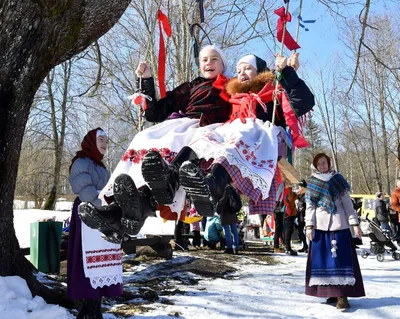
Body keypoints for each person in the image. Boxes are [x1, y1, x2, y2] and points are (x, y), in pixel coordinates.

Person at [78, 45, 235, 240]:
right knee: (143, 137)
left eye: (214, 59)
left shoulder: (232, 85)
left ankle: (163, 180)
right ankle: (117, 212)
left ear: (223, 64)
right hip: (183, 124)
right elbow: (156, 112)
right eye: (204, 60)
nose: (208, 63)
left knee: (178, 140)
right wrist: (146, 80)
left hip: (208, 130)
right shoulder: (191, 86)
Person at [179, 53, 315, 218]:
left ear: (259, 71)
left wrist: (288, 72)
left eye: (248, 68)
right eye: (238, 70)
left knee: (241, 134)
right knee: (205, 135)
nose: (242, 73)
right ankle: (181, 176)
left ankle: (213, 184)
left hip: (262, 141)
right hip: (237, 139)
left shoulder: (273, 92)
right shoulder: (233, 98)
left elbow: (303, 103)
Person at [68, 128, 123, 318]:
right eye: (101, 139)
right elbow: (85, 190)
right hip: (87, 214)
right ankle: (87, 309)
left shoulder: (101, 167)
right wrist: (105, 205)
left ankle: (95, 307)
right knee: (88, 262)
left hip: (103, 216)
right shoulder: (81, 163)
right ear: (91, 141)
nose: (105, 144)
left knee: (103, 264)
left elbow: (107, 191)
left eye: (107, 140)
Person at [305, 153, 365, 310]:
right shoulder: (312, 182)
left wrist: (355, 224)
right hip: (320, 228)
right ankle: (331, 291)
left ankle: (342, 296)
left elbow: (347, 204)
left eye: (324, 163)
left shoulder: (338, 180)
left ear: (329, 163)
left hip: (339, 226)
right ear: (316, 166)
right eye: (319, 164)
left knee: (341, 261)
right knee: (323, 262)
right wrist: (309, 226)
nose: (322, 166)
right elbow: (310, 206)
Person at [218, 185, 242, 254]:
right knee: (234, 231)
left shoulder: (221, 189)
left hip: (224, 213)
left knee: (227, 231)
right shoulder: (233, 190)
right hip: (232, 213)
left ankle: (229, 248)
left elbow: (218, 202)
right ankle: (236, 247)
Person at [283, 186, 298, 255]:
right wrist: (295, 195)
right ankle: (288, 248)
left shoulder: (286, 190)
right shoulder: (288, 191)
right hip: (289, 213)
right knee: (288, 230)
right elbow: (291, 201)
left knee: (289, 230)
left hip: (289, 213)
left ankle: (287, 247)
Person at [294, 181, 308, 253]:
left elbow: (307, 207)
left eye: (299, 187)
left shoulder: (306, 196)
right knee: (300, 231)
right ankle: (305, 246)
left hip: (305, 216)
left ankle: (307, 246)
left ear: (303, 188)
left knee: (306, 232)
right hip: (300, 216)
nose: (298, 189)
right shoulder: (300, 196)